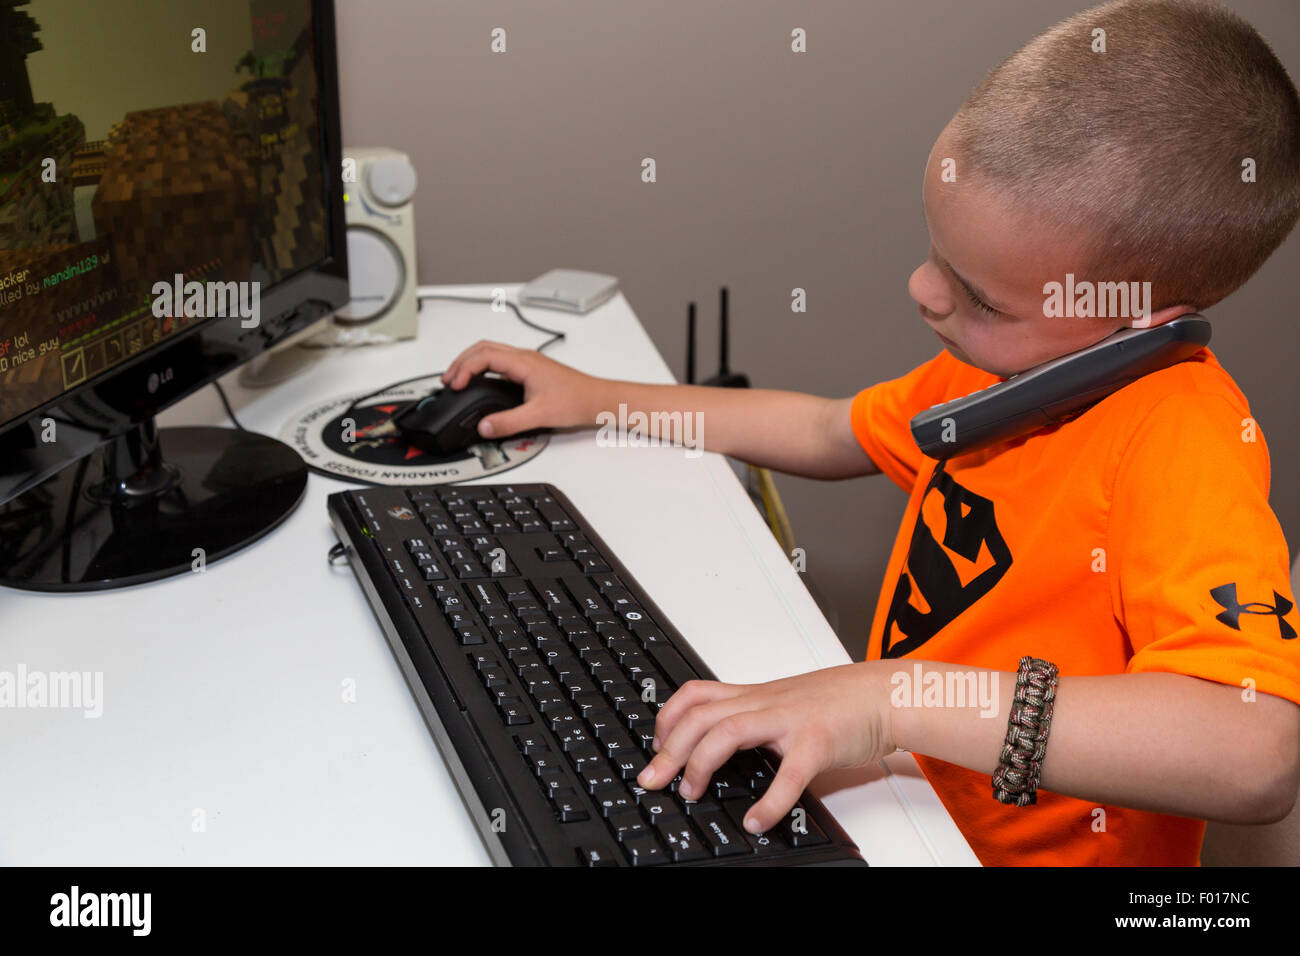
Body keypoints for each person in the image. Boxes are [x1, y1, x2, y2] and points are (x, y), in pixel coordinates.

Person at [442, 0, 1300, 864]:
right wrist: (600, 398)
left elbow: (1254, 751)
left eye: (982, 297)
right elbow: (824, 431)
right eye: (937, 253)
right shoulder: (1006, 368)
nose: (924, 291)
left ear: (1137, 316)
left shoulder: (1181, 440)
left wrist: (892, 699)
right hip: (907, 816)